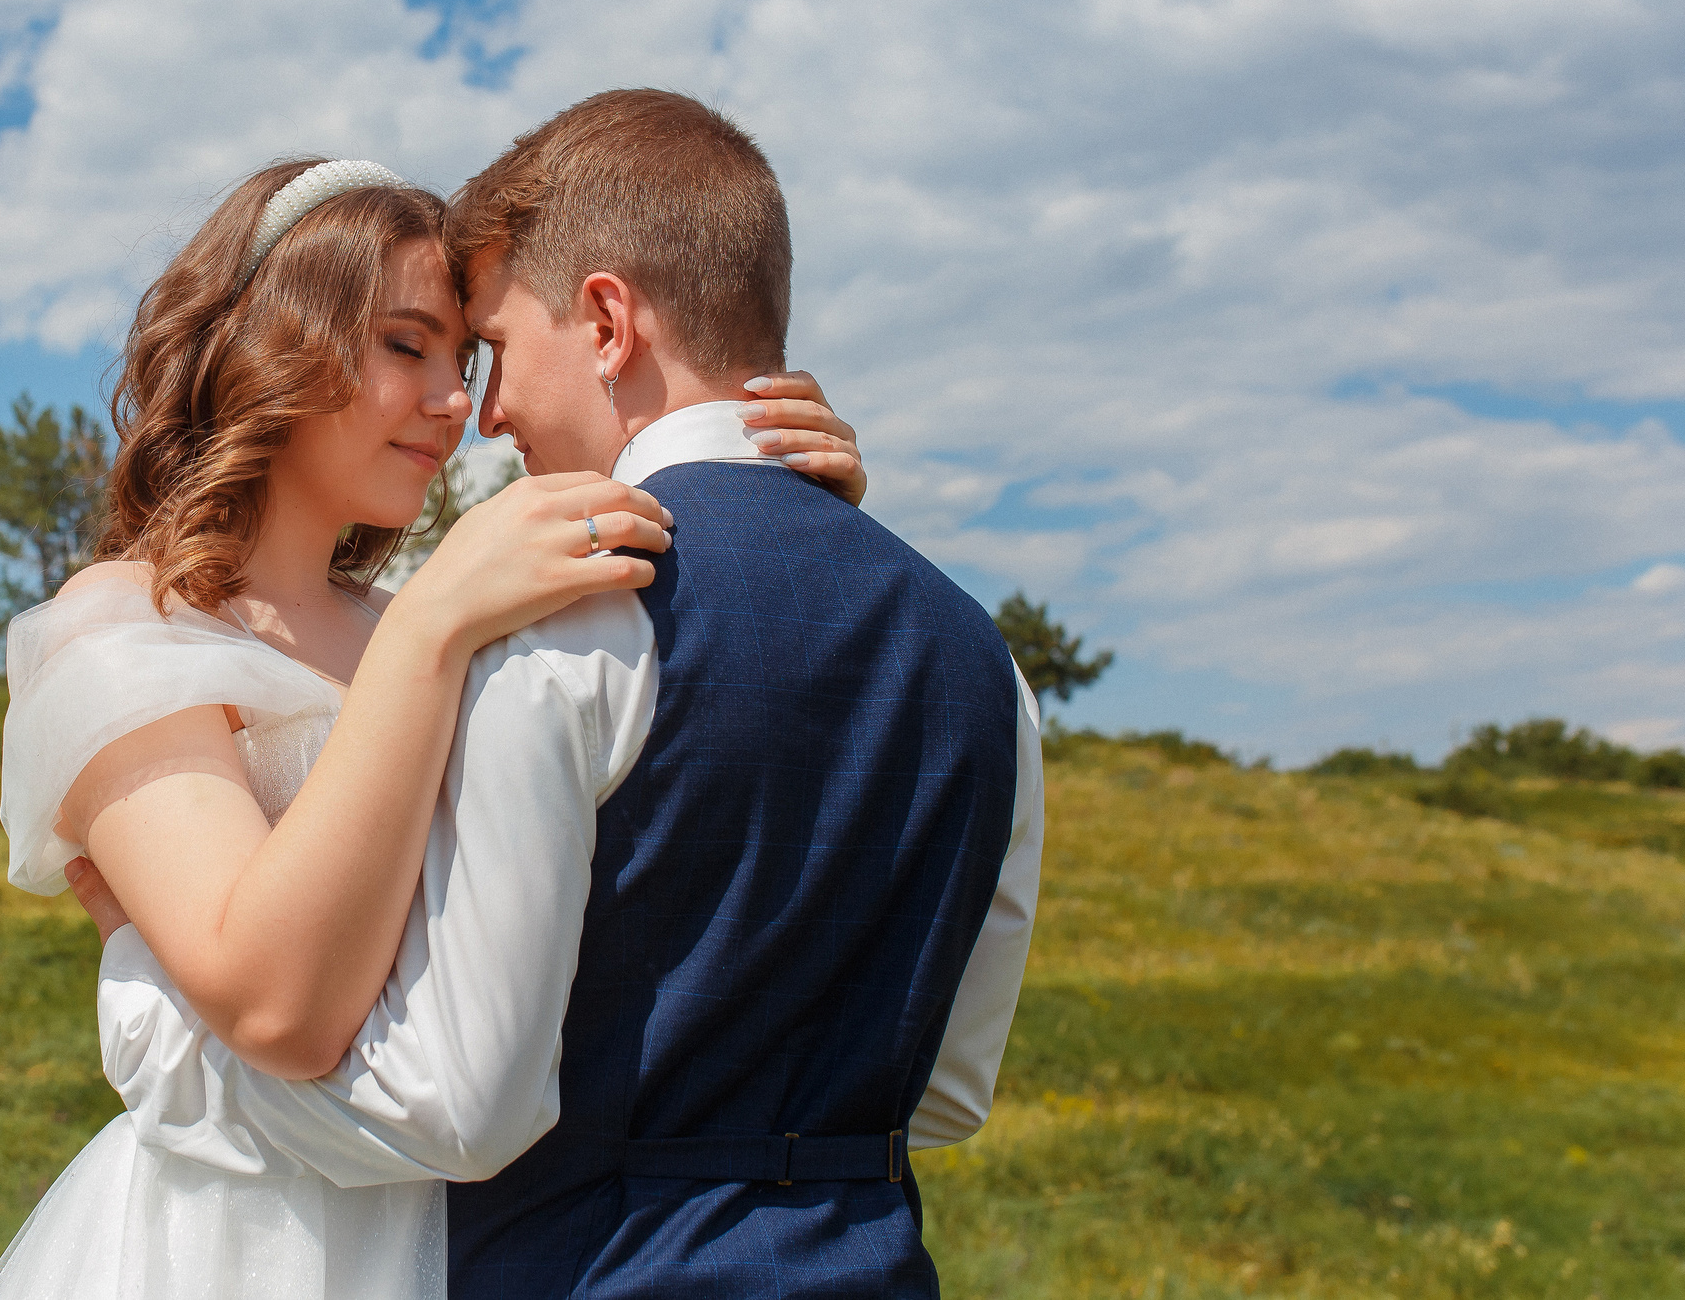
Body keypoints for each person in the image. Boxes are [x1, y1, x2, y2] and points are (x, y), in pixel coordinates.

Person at [67, 91, 1043, 1298]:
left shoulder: (543, 633)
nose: (475, 411)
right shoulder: (978, 657)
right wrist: (802, 543)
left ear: (604, 320)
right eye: (409, 347)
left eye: (483, 350)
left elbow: (459, 1108)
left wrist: (168, 1026)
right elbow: (942, 1090)